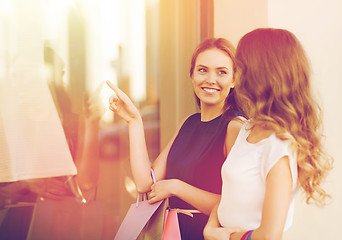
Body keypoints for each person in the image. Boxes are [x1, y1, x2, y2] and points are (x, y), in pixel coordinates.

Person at [107, 38, 245, 239]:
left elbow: (236, 204)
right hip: (176, 233)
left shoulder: (235, 128)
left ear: (234, 80)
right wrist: (134, 121)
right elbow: (146, 183)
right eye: (202, 70)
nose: (211, 79)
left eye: (222, 72)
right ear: (192, 75)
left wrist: (176, 187)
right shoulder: (188, 124)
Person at [203, 28, 333, 240]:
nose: (236, 73)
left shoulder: (278, 145)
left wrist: (222, 237)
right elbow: (228, 194)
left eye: (241, 66)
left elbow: (269, 236)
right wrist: (211, 227)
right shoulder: (246, 129)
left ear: (259, 75)